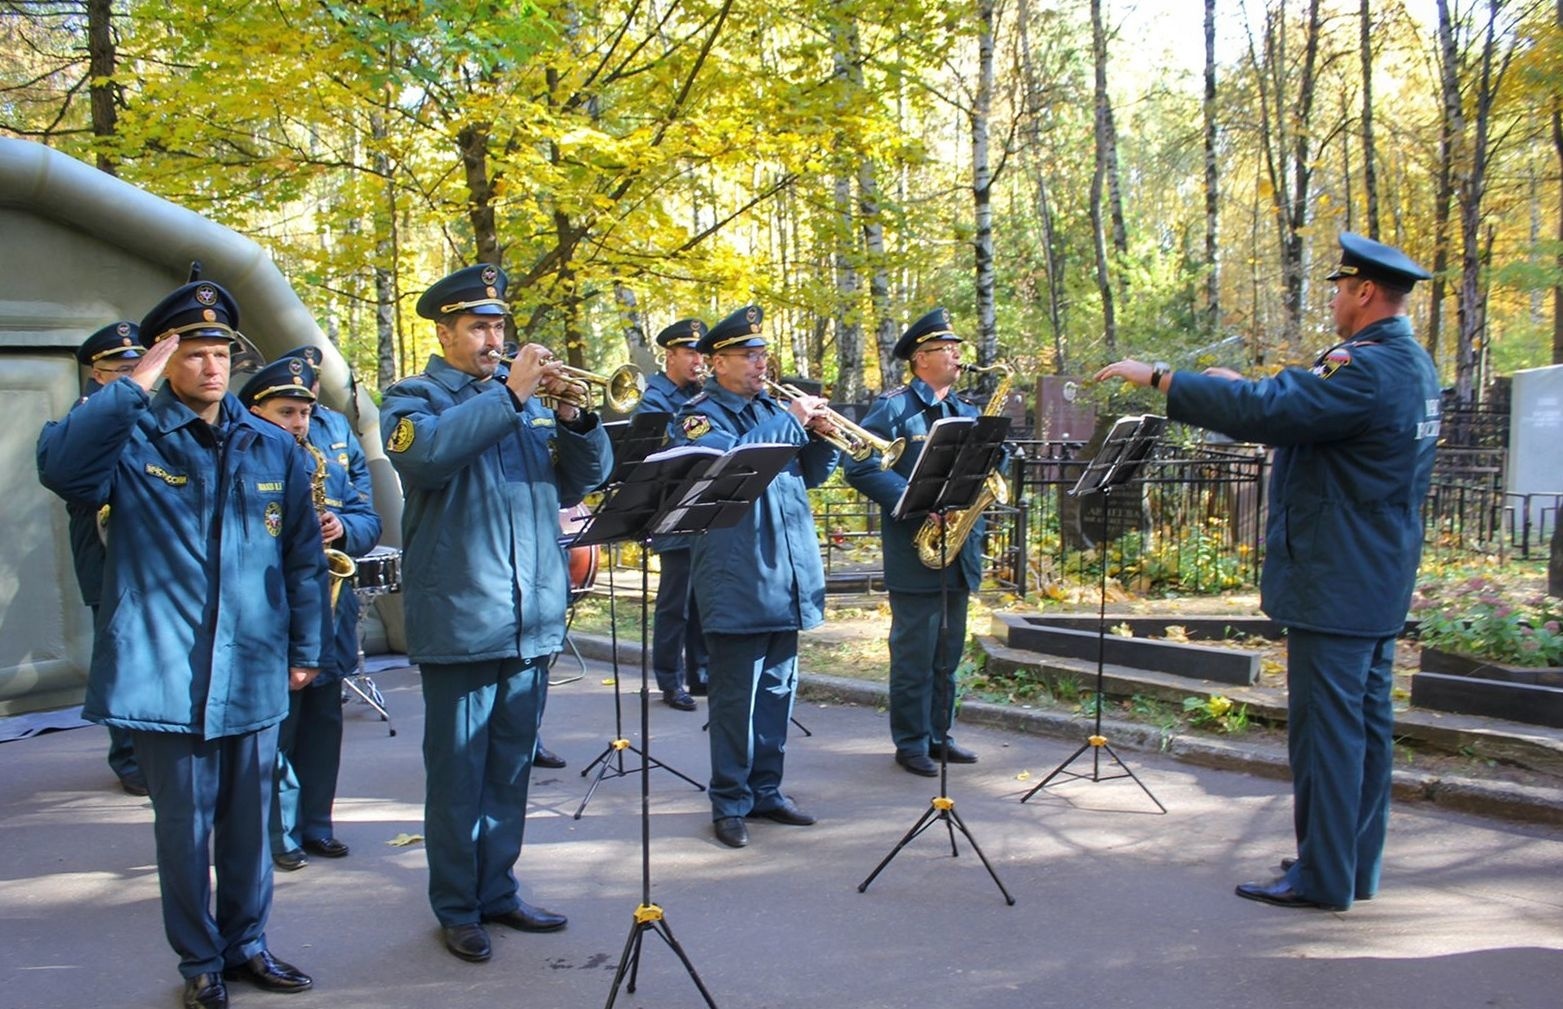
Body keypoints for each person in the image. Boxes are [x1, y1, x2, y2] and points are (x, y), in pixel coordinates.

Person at [1095, 232, 1440, 912]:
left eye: (1339, 291)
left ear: (1364, 292)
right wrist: (1243, 390)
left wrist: (1161, 377)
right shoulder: (1411, 363)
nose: (1335, 303)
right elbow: (1296, 407)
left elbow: (1275, 411)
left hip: (1336, 579)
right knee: (1364, 730)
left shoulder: (1363, 366)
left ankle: (1320, 877)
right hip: (1374, 575)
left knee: (1328, 734)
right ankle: (1346, 865)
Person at [37, 280, 331, 1009]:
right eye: (193, 353)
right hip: (168, 671)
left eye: (220, 352)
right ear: (164, 361)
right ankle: (199, 960)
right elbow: (62, 469)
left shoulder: (272, 444)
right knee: (184, 830)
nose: (211, 366)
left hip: (256, 666)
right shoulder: (126, 438)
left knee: (248, 828)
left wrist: (306, 645)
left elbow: (300, 555)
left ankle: (248, 944)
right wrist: (129, 388)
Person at [380, 263, 612, 963]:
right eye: (478, 326)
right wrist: (512, 395)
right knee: (458, 772)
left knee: (510, 766)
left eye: (499, 326)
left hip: (531, 610)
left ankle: (498, 889)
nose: (493, 337)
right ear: (444, 331)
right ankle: (456, 905)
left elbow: (585, 478)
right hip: (460, 613)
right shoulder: (411, 397)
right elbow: (428, 459)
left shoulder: (526, 401)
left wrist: (574, 419)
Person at [674, 304, 839, 849]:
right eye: (747, 355)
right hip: (737, 575)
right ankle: (729, 801)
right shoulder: (698, 416)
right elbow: (736, 465)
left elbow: (809, 476)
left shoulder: (771, 409)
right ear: (716, 362)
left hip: (788, 575)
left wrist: (819, 436)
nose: (759, 363)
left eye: (762, 353)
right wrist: (791, 420)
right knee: (734, 700)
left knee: (777, 692)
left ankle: (767, 791)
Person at [239, 352, 382, 871]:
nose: (299, 424)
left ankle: (317, 823)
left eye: (304, 412)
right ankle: (276, 832)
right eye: (286, 413)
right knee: (279, 724)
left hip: (330, 605)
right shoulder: (243, 451)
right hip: (273, 609)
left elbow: (369, 517)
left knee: (324, 721)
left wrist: (342, 529)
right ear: (256, 410)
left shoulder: (331, 439)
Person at [844, 307, 985, 777]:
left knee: (947, 654)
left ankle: (939, 735)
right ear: (921, 358)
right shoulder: (894, 408)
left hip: (958, 548)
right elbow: (860, 467)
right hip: (916, 549)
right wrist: (913, 500)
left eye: (958, 348)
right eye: (948, 349)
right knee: (914, 656)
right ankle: (910, 742)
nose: (958, 356)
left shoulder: (966, 410)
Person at [41, 321, 151, 796]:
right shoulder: (85, 416)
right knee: (121, 654)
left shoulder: (148, 411)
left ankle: (153, 746)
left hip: (148, 554)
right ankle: (128, 757)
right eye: (122, 367)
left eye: (138, 365)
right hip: (105, 553)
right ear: (98, 373)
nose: (133, 374)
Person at [634, 317, 711, 710]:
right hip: (669, 508)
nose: (700, 361)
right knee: (675, 602)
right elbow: (658, 450)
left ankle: (700, 673)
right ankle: (670, 678)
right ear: (671, 355)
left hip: (703, 506)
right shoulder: (652, 397)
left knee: (700, 599)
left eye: (702, 353)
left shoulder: (704, 395)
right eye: (691, 353)